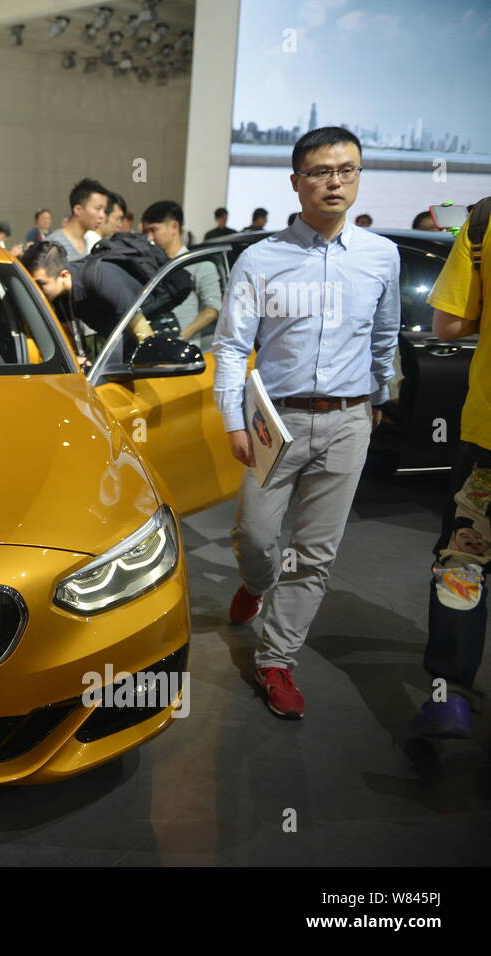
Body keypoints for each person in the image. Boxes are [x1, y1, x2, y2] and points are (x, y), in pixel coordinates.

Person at [212, 126, 400, 719]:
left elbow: (385, 335)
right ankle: (255, 583)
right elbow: (229, 347)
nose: (335, 181)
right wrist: (232, 422)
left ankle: (277, 662)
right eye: (321, 171)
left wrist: (376, 400)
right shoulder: (261, 259)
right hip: (276, 424)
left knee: (315, 553)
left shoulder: (381, 256)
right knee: (256, 537)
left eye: (347, 170)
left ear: (359, 177)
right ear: (297, 183)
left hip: (348, 422)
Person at [408, 198, 491, 738]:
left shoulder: (484, 222)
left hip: (488, 440)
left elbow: (447, 325)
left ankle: (451, 697)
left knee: (465, 560)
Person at [20, 239, 148, 364]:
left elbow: (141, 330)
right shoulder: (58, 296)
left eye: (40, 284)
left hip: (151, 331)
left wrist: (156, 364)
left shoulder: (98, 276)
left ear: (64, 275)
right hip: (121, 345)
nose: (35, 291)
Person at [140, 199, 223, 341]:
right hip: (151, 350)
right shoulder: (149, 266)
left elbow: (212, 309)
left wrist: (180, 337)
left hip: (185, 354)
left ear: (174, 226)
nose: (150, 237)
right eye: (146, 231)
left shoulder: (200, 264)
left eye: (154, 230)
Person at [46, 177, 109, 260]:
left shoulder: (91, 242)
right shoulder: (53, 245)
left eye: (104, 210)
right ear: (78, 210)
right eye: (98, 208)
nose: (102, 215)